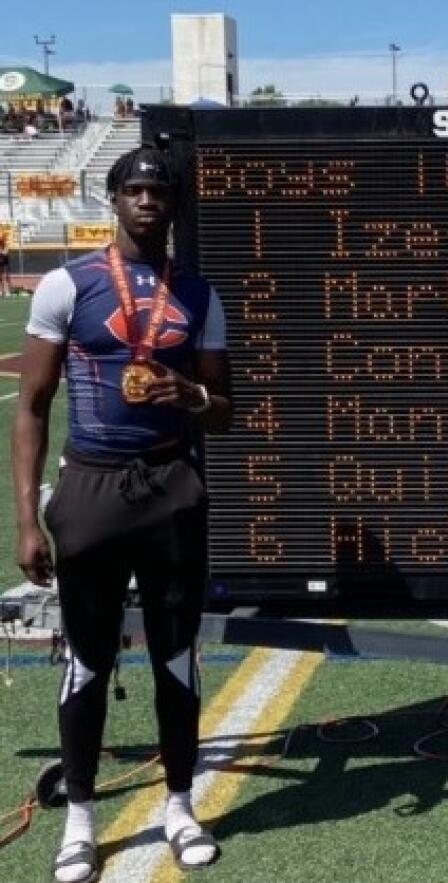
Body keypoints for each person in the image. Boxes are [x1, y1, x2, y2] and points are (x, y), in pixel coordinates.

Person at [12, 146, 232, 883]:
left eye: (160, 191)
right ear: (111, 198)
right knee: (88, 658)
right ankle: (80, 814)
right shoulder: (66, 285)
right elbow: (34, 407)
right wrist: (26, 517)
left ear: (174, 206)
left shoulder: (199, 295)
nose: (147, 200)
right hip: (93, 487)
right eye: (134, 188)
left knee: (176, 656)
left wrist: (192, 398)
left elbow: (225, 408)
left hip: (171, 486)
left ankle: (178, 802)